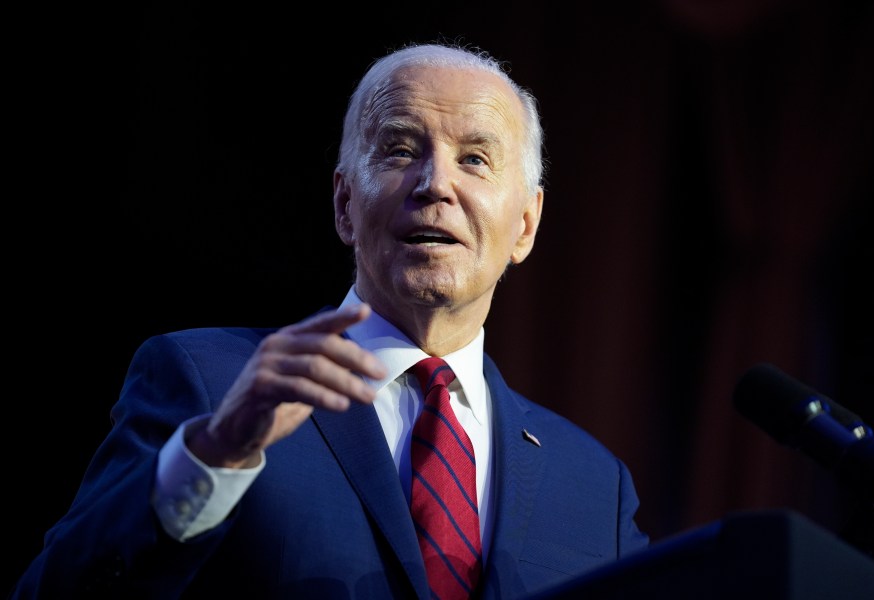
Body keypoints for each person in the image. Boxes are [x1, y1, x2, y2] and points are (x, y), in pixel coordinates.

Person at [12, 41, 649, 599]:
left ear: (526, 225)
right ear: (345, 203)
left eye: (476, 160)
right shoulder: (211, 385)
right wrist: (215, 452)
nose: (435, 183)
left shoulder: (595, 486)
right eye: (401, 149)